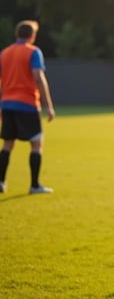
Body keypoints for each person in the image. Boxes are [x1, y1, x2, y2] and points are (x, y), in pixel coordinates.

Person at [0, 20, 56, 194]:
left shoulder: (5, 53)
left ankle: (0, 182)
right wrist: (49, 105)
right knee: (36, 143)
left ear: (17, 34)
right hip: (27, 104)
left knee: (8, 143)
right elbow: (38, 77)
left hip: (7, 103)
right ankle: (34, 185)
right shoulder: (33, 52)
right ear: (32, 36)